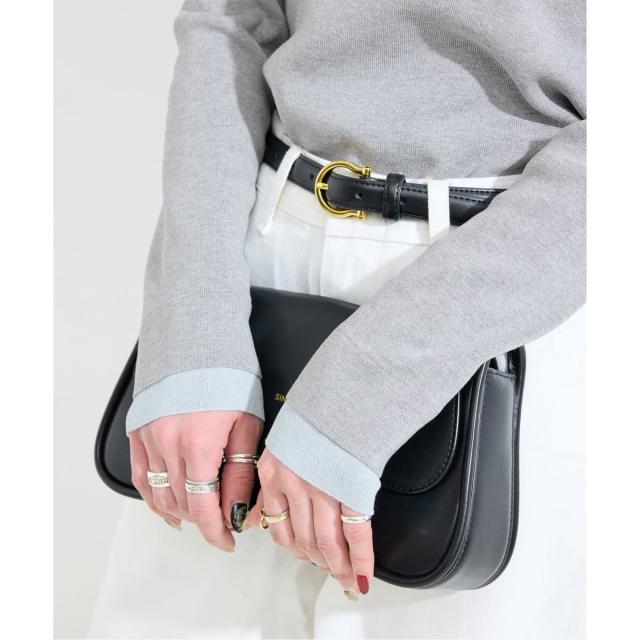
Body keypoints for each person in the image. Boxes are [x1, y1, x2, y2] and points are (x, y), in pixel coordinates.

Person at [89, 1, 586, 637]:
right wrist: (194, 326)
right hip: (254, 265)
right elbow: (230, 18)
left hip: (504, 293)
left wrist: (355, 400)